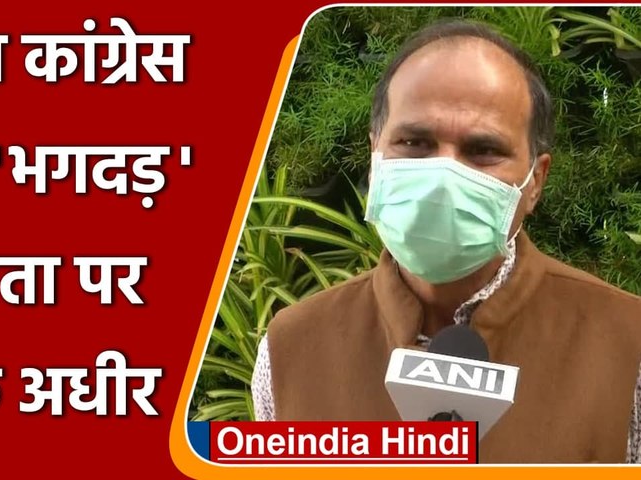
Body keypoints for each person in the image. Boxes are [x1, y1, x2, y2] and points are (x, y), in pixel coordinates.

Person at [251, 19, 641, 463]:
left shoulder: (626, 345)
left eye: (483, 150)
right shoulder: (291, 349)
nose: (443, 178)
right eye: (414, 142)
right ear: (375, 158)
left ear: (535, 181)